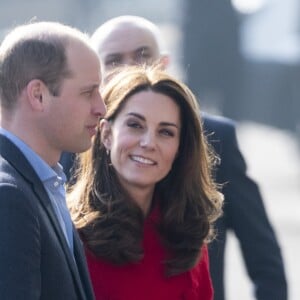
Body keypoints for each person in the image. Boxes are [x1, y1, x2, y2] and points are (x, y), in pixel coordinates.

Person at [87, 15, 287, 300]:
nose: (132, 69)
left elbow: (263, 255)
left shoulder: (217, 138)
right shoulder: (71, 149)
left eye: (143, 56)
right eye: (115, 60)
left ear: (164, 64)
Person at [68, 65, 223, 300]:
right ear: (106, 134)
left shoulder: (188, 235)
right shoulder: (71, 233)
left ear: (180, 148)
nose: (149, 142)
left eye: (166, 132)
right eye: (135, 125)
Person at [0, 21, 106, 299]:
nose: (102, 107)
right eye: (88, 92)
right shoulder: (8, 196)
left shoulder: (42, 179)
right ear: (38, 95)